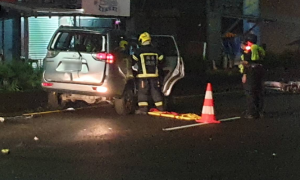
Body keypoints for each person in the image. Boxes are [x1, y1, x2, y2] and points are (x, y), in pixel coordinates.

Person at [132, 32, 164, 114]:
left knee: (143, 92)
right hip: (154, 75)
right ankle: (160, 108)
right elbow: (162, 59)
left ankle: (143, 109)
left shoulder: (139, 51)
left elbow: (133, 60)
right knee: (155, 91)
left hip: (143, 76)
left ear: (141, 40)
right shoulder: (156, 51)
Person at [239, 33, 266, 119]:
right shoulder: (258, 48)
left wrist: (244, 74)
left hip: (251, 71)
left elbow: (246, 62)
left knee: (250, 91)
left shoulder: (249, 48)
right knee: (258, 91)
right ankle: (260, 111)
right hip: (260, 70)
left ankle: (251, 112)